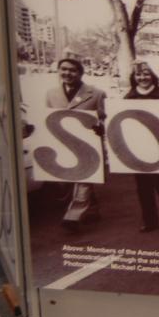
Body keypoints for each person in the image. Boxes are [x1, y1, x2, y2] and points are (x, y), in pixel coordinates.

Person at [45, 55, 106, 231]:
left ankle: (73, 217)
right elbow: (48, 118)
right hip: (63, 144)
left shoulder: (96, 94)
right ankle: (93, 210)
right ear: (58, 71)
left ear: (80, 73)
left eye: (72, 70)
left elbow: (104, 117)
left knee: (84, 178)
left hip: (87, 144)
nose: (67, 73)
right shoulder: (51, 94)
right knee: (70, 180)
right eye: (63, 69)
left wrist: (100, 128)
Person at [124, 61, 159, 233]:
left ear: (153, 76)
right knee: (142, 186)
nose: (142, 78)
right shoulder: (129, 98)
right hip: (138, 146)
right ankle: (149, 220)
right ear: (134, 78)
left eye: (146, 74)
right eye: (138, 75)